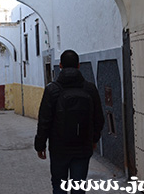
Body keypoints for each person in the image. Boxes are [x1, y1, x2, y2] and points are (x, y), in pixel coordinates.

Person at [35, 49, 105, 194]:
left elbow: (44, 121)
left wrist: (40, 145)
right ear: (79, 66)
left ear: (60, 65)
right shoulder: (90, 89)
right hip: (82, 147)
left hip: (59, 149)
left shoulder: (52, 90)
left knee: (59, 186)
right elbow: (99, 118)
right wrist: (93, 139)